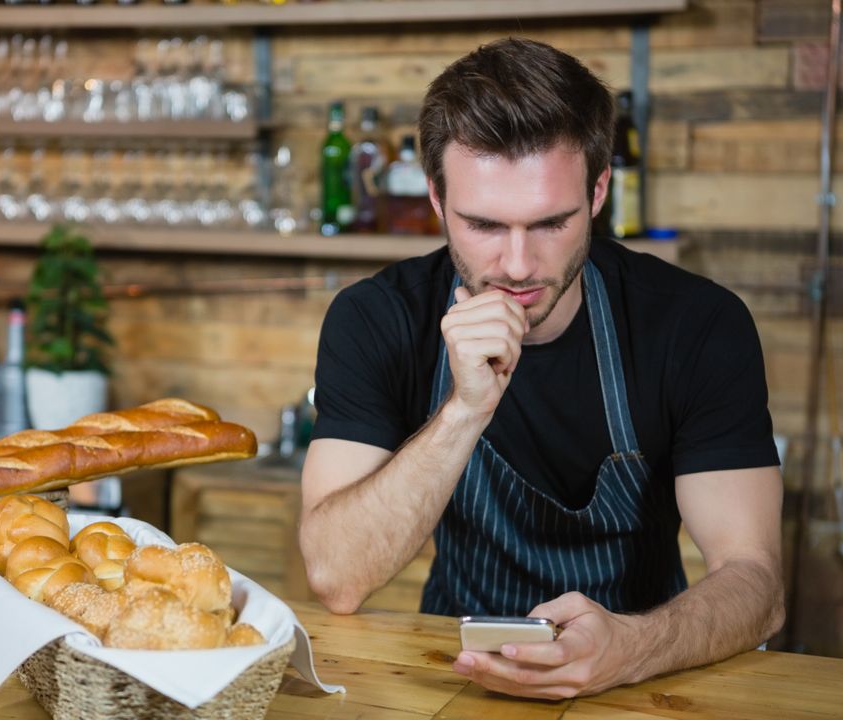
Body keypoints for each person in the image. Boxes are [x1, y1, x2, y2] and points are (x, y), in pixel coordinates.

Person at [298, 37, 784, 700]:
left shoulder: (696, 326)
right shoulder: (377, 320)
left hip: (643, 680)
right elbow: (337, 577)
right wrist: (464, 410)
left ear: (599, 190)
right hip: (452, 678)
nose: (520, 265)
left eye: (550, 223)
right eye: (485, 225)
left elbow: (756, 583)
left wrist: (629, 648)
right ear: (437, 200)